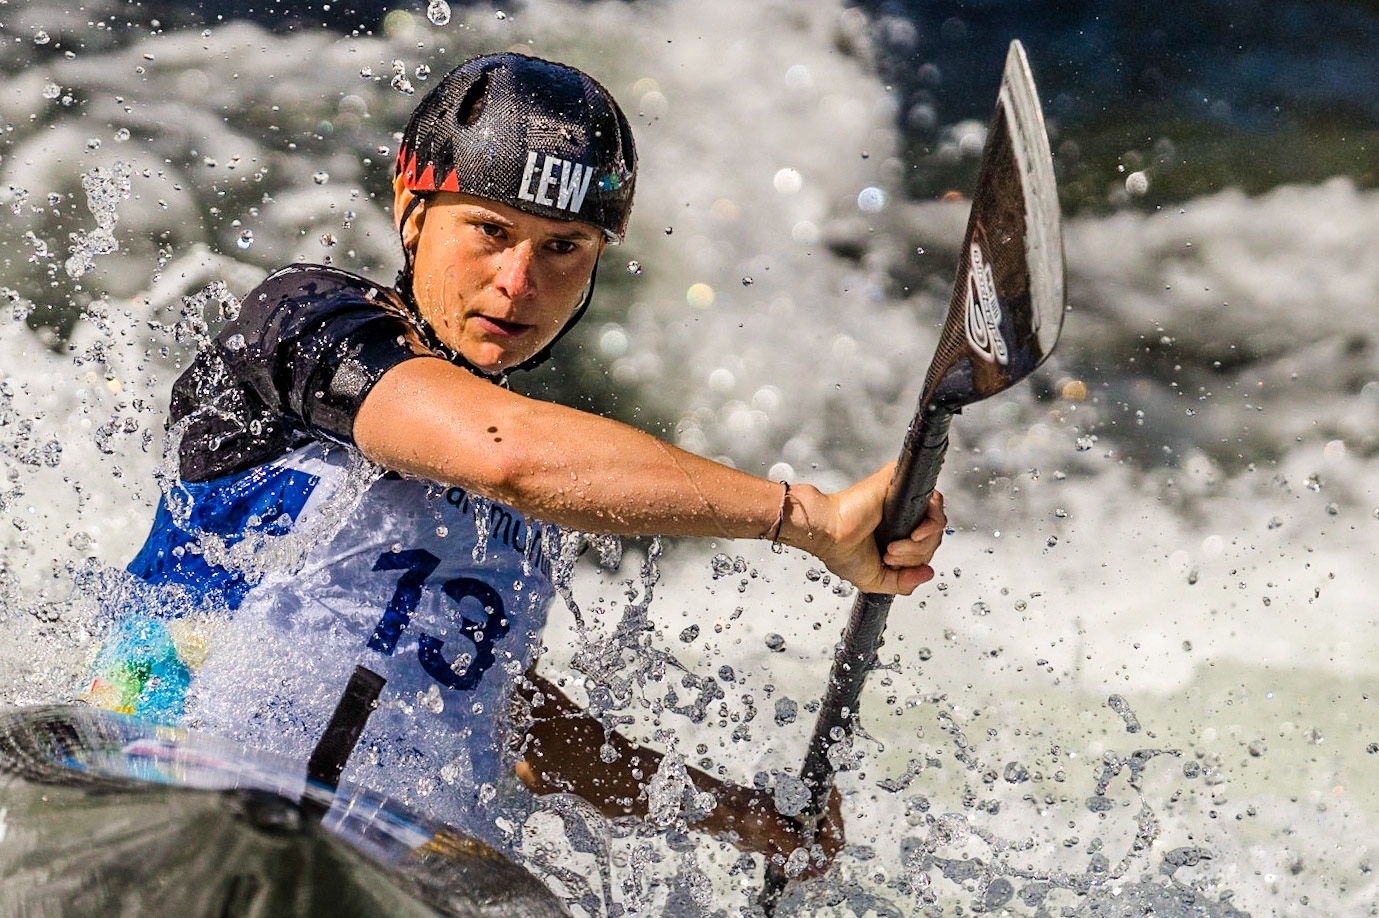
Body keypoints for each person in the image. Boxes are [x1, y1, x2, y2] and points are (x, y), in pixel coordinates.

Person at [80, 52, 945, 871]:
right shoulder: (301, 325)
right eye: (490, 231)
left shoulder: (567, 475)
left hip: (394, 869)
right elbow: (502, 456)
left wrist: (743, 818)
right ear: (411, 210)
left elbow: (501, 713)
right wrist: (807, 517)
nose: (518, 282)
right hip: (161, 794)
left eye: (564, 247)